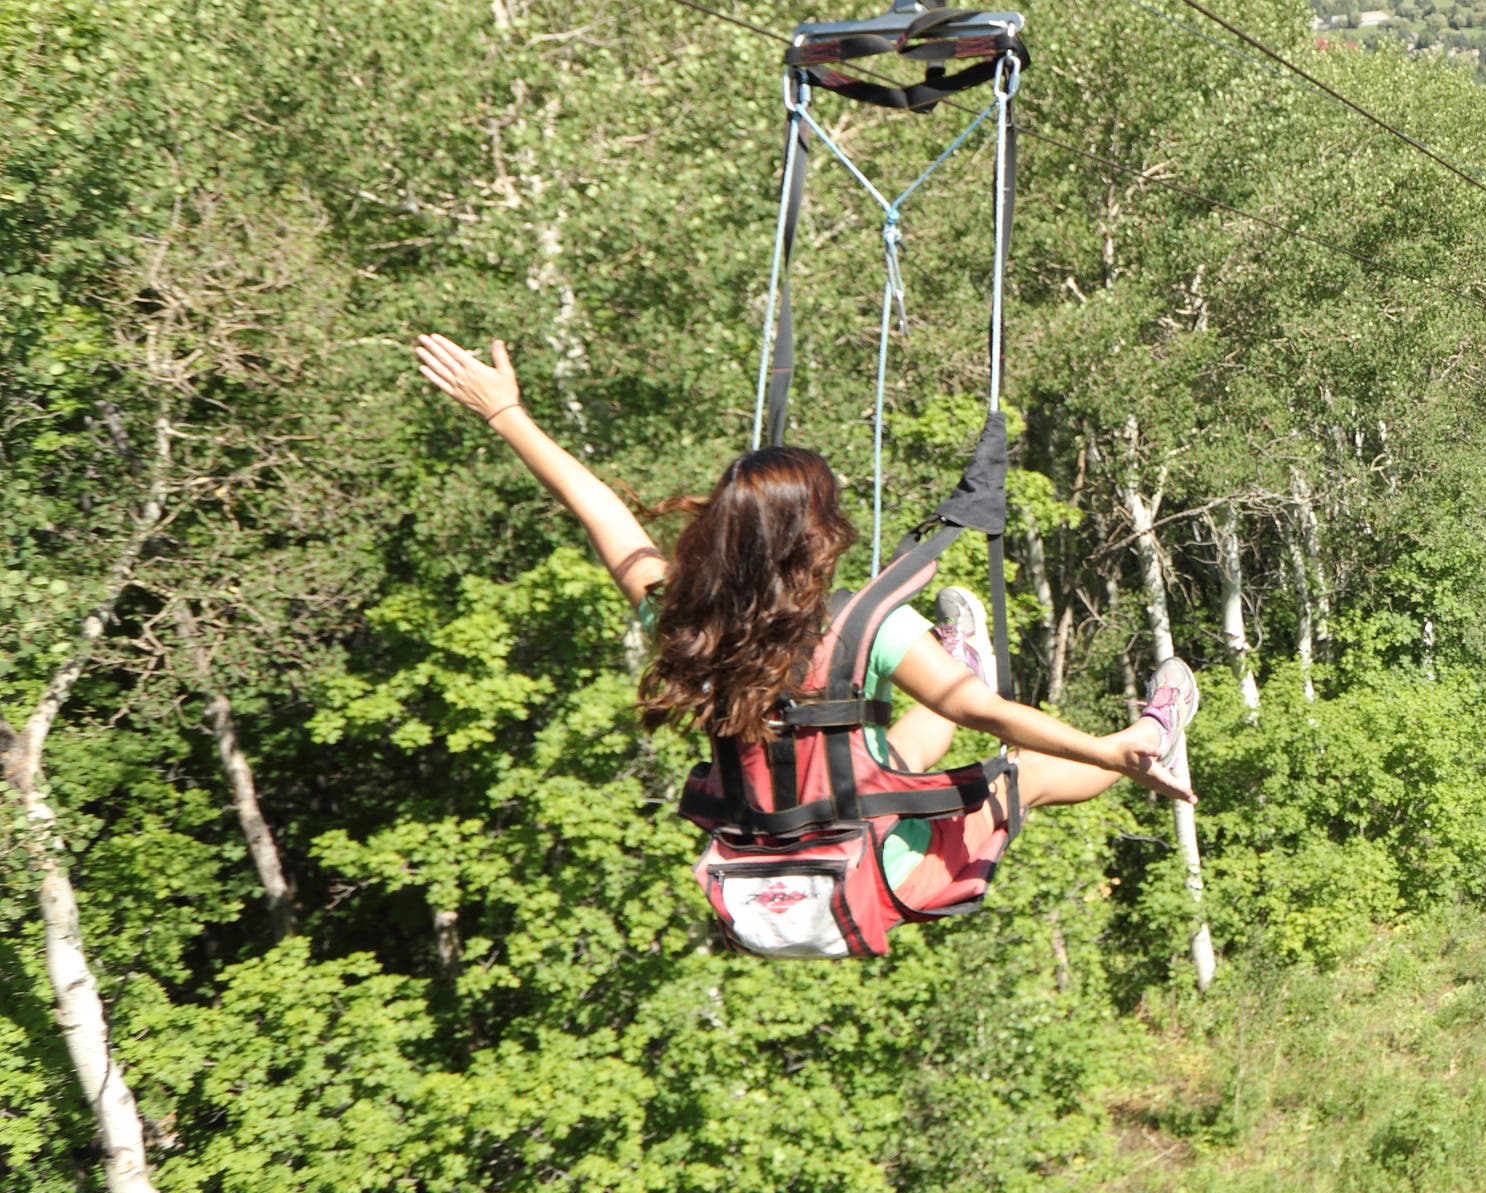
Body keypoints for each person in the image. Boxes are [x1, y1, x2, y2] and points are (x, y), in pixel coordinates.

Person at [413, 335, 1193, 862]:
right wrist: (1100, 750)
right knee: (1026, 768)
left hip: (772, 861)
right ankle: (1150, 738)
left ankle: (967, 660)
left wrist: (505, 415)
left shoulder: (684, 617)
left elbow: (601, 513)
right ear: (815, 536)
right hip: (873, 865)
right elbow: (978, 717)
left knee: (885, 750)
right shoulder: (859, 628)